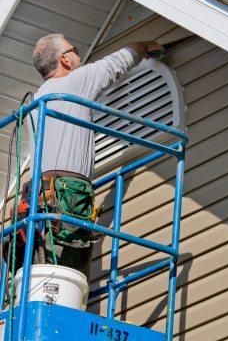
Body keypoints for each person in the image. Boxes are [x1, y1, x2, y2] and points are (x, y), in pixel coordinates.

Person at [27, 33, 164, 280]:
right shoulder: (73, 84)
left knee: (51, 273)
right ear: (65, 59)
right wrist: (143, 45)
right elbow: (117, 63)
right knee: (67, 275)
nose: (79, 55)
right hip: (68, 196)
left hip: (43, 198)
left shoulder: (34, 103)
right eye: (76, 49)